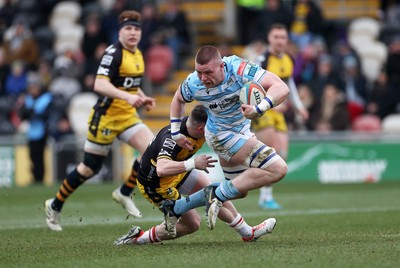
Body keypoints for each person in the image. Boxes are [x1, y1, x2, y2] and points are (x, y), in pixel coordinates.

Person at [45, 10, 156, 232]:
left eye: (136, 29)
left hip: (127, 117)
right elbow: (100, 84)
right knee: (89, 168)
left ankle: (124, 192)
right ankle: (54, 204)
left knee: (152, 150)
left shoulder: (138, 54)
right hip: (105, 118)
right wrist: (128, 97)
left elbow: (129, 83)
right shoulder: (113, 53)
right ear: (120, 31)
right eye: (128, 29)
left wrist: (141, 97)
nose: (133, 33)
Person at [162, 45, 289, 232]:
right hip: (221, 136)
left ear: (222, 66)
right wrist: (175, 132)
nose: (203, 78)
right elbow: (178, 99)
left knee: (239, 191)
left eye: (208, 72)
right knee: (278, 169)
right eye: (199, 72)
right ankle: (216, 195)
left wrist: (259, 108)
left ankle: (176, 208)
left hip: (242, 131)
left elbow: (281, 87)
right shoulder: (193, 83)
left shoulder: (239, 69)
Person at [114, 105, 276, 245]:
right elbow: (161, 169)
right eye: (211, 126)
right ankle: (138, 238)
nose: (214, 129)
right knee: (192, 225)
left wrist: (245, 138)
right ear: (201, 129)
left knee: (213, 192)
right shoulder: (172, 139)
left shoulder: (196, 127)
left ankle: (248, 233)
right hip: (155, 184)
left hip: (177, 173)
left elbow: (225, 132)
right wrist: (193, 164)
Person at [252, 23, 309, 209]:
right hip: (263, 111)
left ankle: (263, 190)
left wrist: (299, 105)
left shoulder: (288, 59)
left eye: (283, 37)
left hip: (280, 112)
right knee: (271, 151)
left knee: (282, 154)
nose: (279, 40)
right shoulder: (262, 59)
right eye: (276, 37)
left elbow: (289, 83)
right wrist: (268, 104)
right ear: (269, 39)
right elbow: (252, 85)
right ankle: (265, 196)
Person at [18, 72, 52, 184]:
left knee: (39, 157)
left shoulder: (46, 98)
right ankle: (35, 177)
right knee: (32, 156)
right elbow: (23, 115)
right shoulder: (28, 99)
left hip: (41, 132)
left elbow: (45, 115)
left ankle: (39, 178)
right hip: (32, 132)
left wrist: (32, 112)